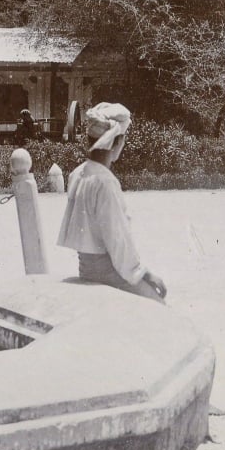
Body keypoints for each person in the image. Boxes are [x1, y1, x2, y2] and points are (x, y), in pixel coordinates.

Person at [56, 103, 166, 302]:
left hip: (85, 268)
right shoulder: (105, 182)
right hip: (110, 271)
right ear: (118, 142)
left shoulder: (77, 173)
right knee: (158, 304)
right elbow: (117, 241)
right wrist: (145, 274)